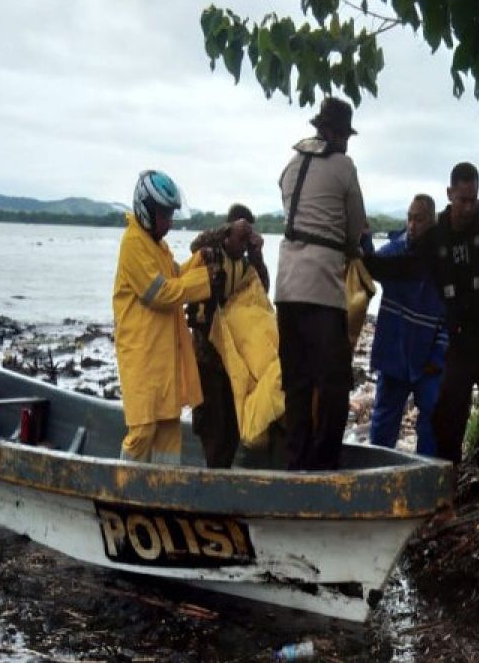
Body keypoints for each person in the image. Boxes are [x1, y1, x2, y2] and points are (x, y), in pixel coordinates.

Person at [366, 163, 479, 516]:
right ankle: (445, 499)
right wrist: (365, 259)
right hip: (459, 340)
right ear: (450, 195)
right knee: (448, 416)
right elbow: (403, 266)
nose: (467, 207)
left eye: (473, 200)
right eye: (462, 200)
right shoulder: (435, 239)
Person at [275, 97, 368, 470]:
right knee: (334, 383)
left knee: (296, 382)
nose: (346, 143)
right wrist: (353, 247)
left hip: (285, 285)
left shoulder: (291, 165)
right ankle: (325, 463)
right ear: (336, 133)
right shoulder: (344, 166)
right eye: (345, 135)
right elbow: (354, 227)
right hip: (322, 289)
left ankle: (295, 463)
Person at [112, 169, 213, 465]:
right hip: (142, 356)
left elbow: (176, 276)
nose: (169, 222)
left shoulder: (158, 246)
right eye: (164, 215)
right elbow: (161, 294)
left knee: (169, 426)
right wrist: (208, 279)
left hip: (163, 356)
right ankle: (122, 485)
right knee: (143, 429)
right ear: (145, 209)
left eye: (170, 215)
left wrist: (201, 259)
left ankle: (164, 490)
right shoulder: (132, 243)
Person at [187, 204, 274, 467]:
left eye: (247, 236)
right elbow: (195, 244)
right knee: (211, 425)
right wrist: (227, 230)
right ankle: (212, 474)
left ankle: (221, 472)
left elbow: (263, 289)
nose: (242, 243)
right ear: (228, 234)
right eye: (240, 236)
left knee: (232, 427)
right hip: (207, 358)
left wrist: (256, 253)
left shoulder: (247, 265)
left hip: (234, 362)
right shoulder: (210, 254)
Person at [362, 193, 445, 456]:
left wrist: (439, 356)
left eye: (419, 219)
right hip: (395, 352)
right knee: (383, 421)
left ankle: (425, 474)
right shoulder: (395, 250)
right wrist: (364, 240)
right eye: (409, 218)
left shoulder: (443, 260)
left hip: (427, 356)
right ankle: (375, 474)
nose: (412, 225)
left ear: (431, 222)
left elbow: (450, 314)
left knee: (432, 417)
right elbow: (369, 267)